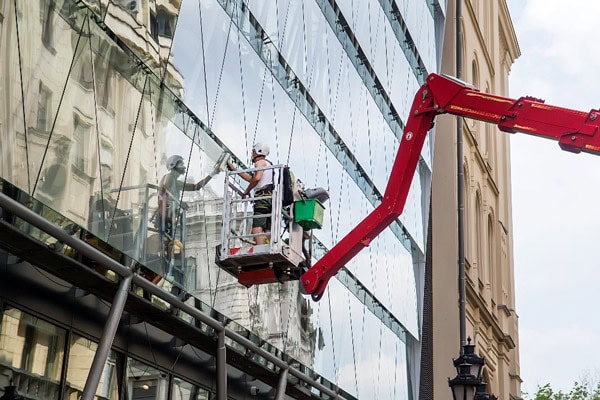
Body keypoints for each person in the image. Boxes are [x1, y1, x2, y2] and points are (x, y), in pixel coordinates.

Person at [227, 142, 274, 245]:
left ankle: (261, 250)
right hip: (269, 198)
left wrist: (246, 191)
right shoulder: (268, 164)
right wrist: (235, 170)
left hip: (262, 198)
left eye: (253, 151)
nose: (252, 154)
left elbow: (256, 179)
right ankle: (270, 249)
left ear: (258, 151)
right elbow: (251, 178)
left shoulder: (260, 162)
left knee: (257, 228)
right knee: (266, 229)